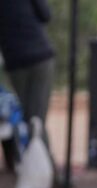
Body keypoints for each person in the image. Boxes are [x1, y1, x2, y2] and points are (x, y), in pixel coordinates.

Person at [0, 0, 56, 172]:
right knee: (36, 119)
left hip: (17, 60)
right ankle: (46, 173)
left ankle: (43, 171)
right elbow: (45, 15)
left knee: (31, 118)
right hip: (39, 57)